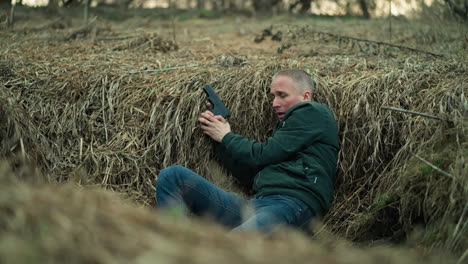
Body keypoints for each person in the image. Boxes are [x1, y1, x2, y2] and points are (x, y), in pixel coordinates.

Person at [156, 69, 339, 234]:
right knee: (173, 176)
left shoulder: (314, 112)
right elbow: (247, 174)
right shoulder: (287, 133)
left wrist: (226, 136)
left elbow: (262, 154)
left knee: (228, 247)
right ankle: (176, 243)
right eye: (273, 96)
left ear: (305, 96)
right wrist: (219, 135)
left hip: (292, 205)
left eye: (282, 95)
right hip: (256, 205)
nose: (274, 103)